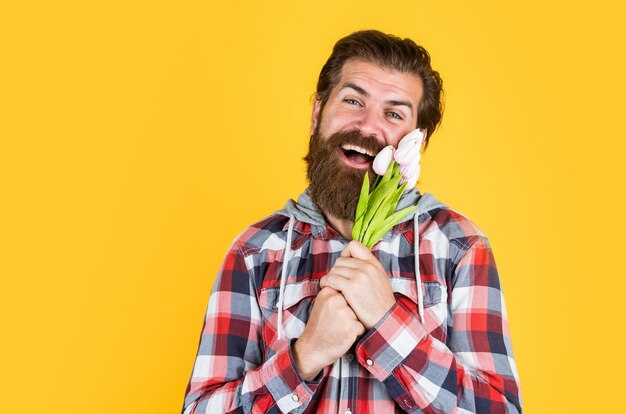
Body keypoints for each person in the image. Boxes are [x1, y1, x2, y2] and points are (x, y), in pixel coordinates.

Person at [182, 30, 522, 413]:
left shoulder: (458, 246)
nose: (366, 126)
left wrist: (387, 321)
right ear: (317, 114)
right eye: (353, 100)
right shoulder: (256, 251)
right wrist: (304, 357)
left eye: (393, 113)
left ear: (415, 144)